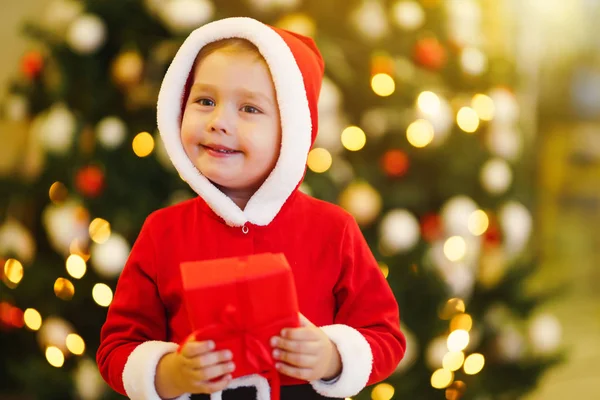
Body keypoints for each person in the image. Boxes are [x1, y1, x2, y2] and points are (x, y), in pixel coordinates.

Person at [96, 17, 406, 400]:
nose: (218, 122)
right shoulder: (163, 231)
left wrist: (332, 357)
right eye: (205, 101)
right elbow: (116, 349)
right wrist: (171, 372)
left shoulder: (333, 229)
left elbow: (386, 337)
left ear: (290, 131)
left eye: (249, 109)